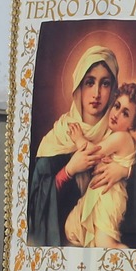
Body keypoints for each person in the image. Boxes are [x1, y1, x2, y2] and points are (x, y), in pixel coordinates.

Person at [28, 44, 119, 246]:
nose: (96, 93)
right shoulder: (57, 139)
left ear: (113, 90)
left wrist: (123, 171)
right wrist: (69, 170)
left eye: (105, 84)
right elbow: (34, 207)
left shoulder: (119, 137)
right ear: (78, 86)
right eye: (89, 82)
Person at [63, 82, 136, 248]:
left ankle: (133, 265)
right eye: (116, 106)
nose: (116, 114)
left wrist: (79, 139)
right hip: (98, 193)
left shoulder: (122, 138)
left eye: (125, 113)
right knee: (71, 229)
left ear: (132, 123)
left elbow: (94, 153)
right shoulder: (113, 135)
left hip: (110, 196)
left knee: (106, 245)